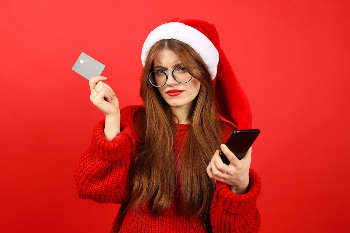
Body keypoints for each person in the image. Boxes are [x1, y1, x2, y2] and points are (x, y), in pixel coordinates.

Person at [75, 18, 261, 233]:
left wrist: (239, 186)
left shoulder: (225, 136)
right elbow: (94, 188)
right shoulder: (133, 123)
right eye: (160, 71)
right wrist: (112, 119)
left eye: (181, 68)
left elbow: (236, 230)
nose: (170, 81)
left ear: (203, 72)